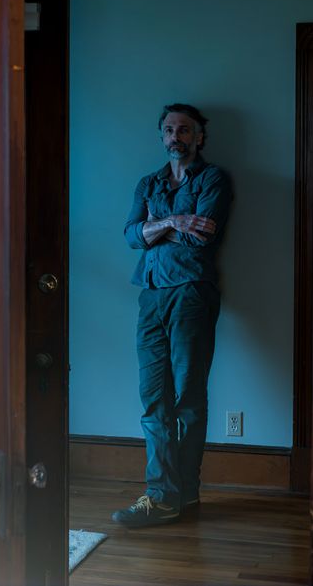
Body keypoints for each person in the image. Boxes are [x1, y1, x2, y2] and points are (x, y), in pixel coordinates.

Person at [112, 103, 233, 528]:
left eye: (184, 130)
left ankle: (181, 493)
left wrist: (157, 225)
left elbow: (202, 237)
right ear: (161, 135)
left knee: (188, 399)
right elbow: (131, 236)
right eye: (168, 129)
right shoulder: (149, 183)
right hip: (150, 295)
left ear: (199, 137)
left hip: (191, 295)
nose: (175, 136)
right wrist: (177, 220)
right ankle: (164, 495)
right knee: (153, 400)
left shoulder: (213, 178)